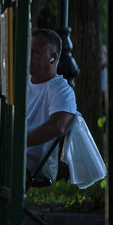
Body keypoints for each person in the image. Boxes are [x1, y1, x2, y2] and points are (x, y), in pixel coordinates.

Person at [26, 28, 77, 178]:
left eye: (35, 52)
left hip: (32, 163)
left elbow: (58, 126)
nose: (29, 56)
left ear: (52, 58)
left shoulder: (61, 90)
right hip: (12, 153)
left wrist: (17, 143)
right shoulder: (22, 82)